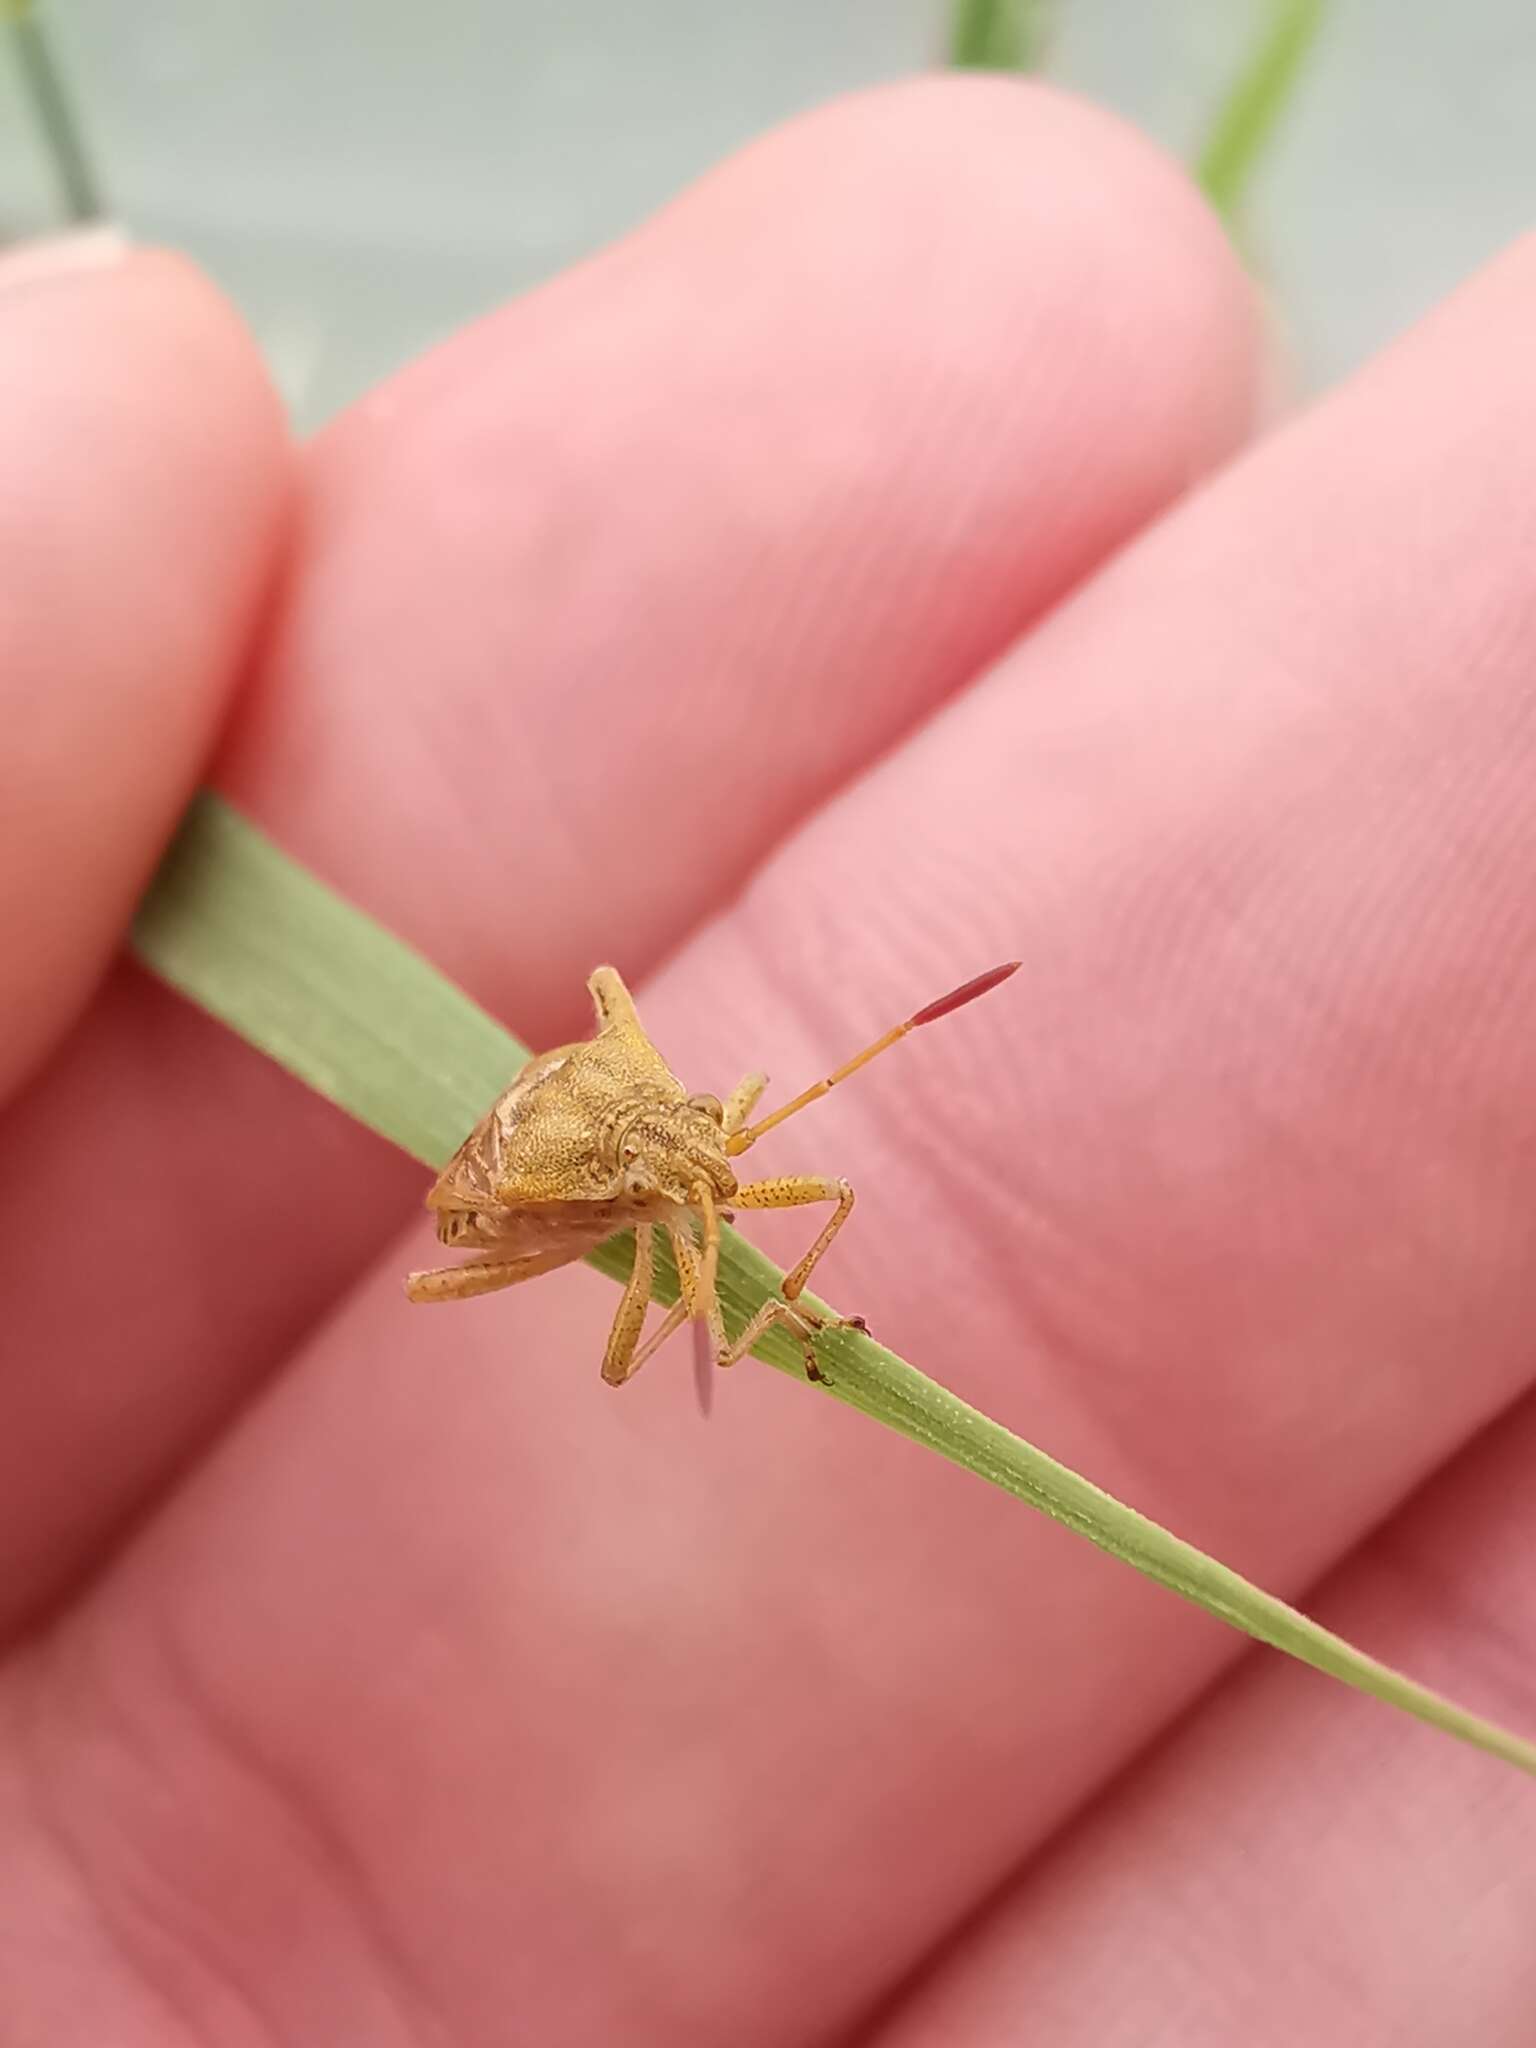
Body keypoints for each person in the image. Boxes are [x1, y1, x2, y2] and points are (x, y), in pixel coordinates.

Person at [2, 75, 1533, 2046]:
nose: (748, 1180)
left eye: (736, 1172)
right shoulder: (668, 1187)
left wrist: (728, 1233)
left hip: (571, 1150)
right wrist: (701, 1241)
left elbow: (661, 1112)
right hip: (549, 1159)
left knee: (691, 1251)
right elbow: (630, 1166)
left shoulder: (705, 1167)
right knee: (662, 1291)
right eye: (731, 1172)